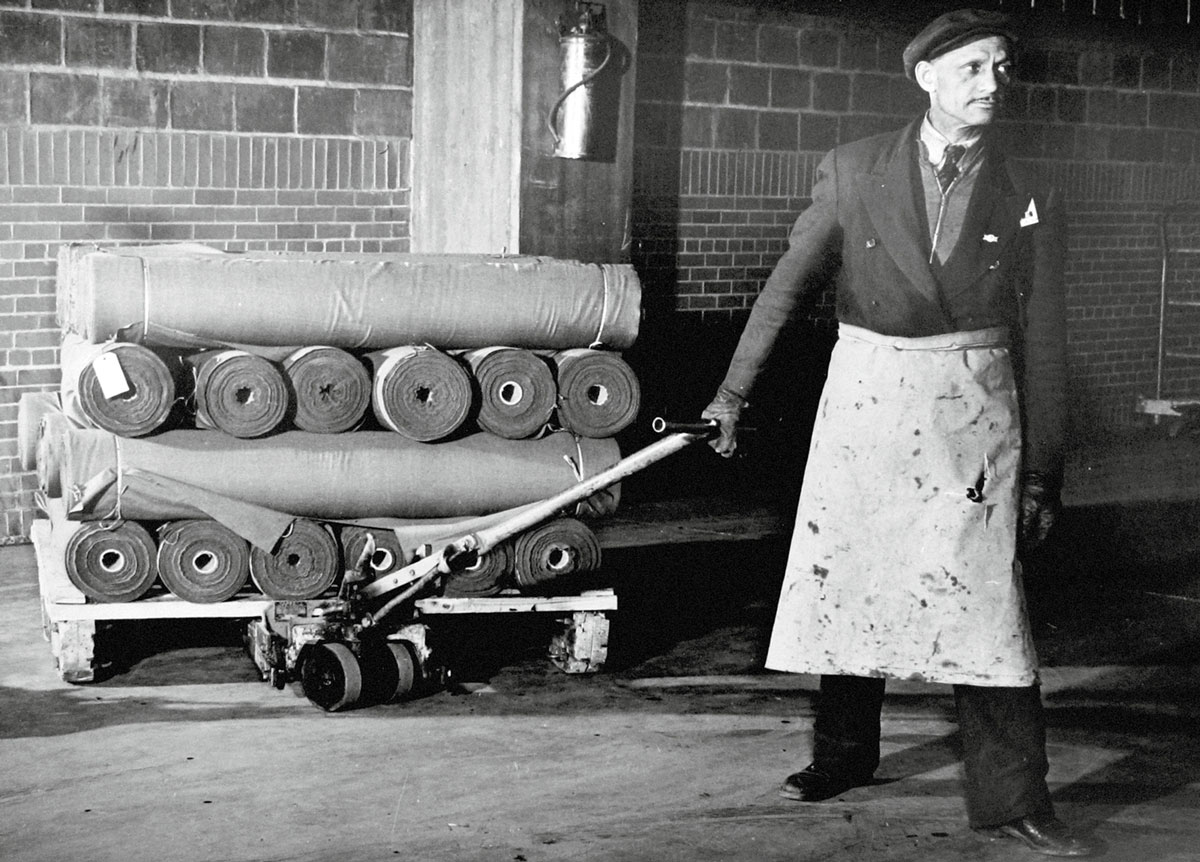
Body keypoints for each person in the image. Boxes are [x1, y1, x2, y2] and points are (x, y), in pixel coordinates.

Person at [701, 9, 1095, 858]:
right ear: (926, 77)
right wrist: (732, 394)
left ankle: (1013, 799)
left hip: (973, 406)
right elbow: (783, 289)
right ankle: (843, 756)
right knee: (856, 569)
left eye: (1001, 67)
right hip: (869, 399)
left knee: (986, 600)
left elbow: (1052, 338)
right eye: (974, 68)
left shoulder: (1031, 187)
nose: (993, 82)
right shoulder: (853, 169)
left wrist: (1042, 476)